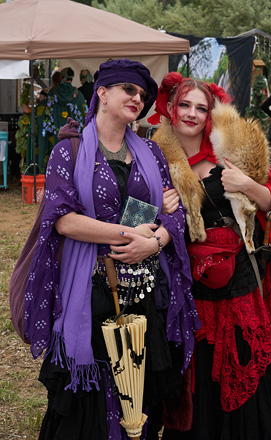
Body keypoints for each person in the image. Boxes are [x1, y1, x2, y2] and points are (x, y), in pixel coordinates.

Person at [23, 59, 200, 440]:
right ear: (102, 92)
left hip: (145, 291)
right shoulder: (68, 151)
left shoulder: (151, 154)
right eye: (129, 89)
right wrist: (127, 235)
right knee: (91, 394)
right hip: (89, 290)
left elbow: (174, 214)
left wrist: (152, 242)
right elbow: (62, 219)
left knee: (139, 391)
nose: (137, 98)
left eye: (142, 94)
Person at [147, 72, 271, 440]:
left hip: (241, 287)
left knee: (246, 366)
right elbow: (134, 218)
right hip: (189, 289)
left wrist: (248, 185)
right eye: (184, 105)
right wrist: (159, 209)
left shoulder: (229, 153)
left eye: (201, 108)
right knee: (199, 372)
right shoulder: (152, 158)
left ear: (211, 115)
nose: (191, 114)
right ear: (170, 108)